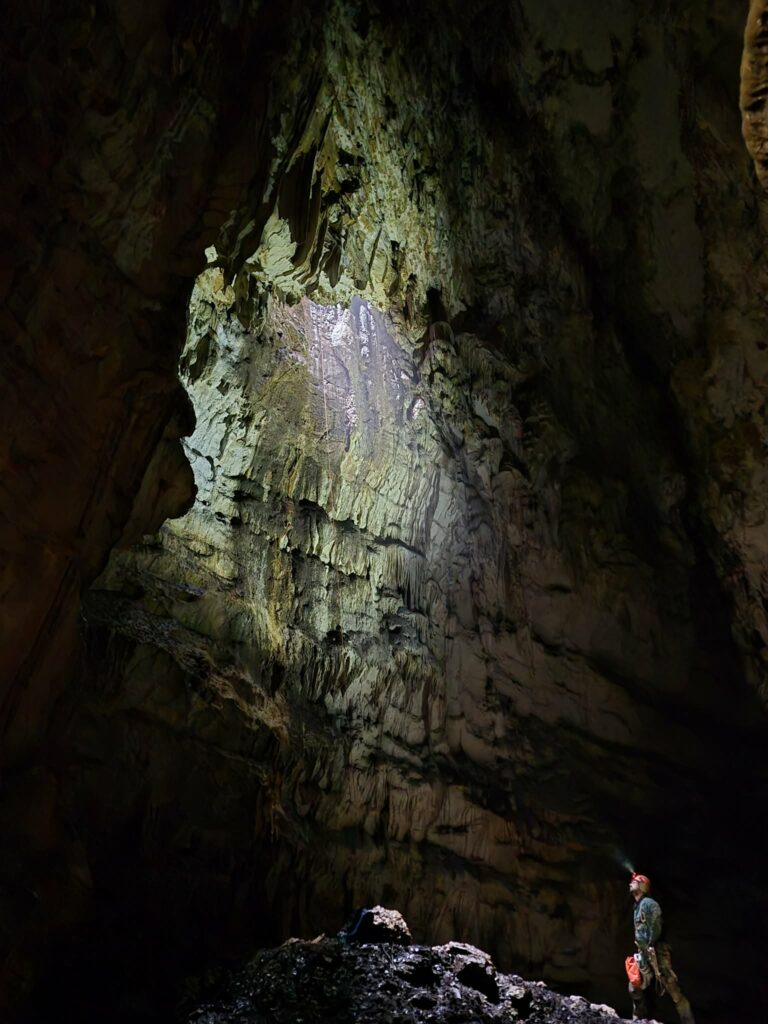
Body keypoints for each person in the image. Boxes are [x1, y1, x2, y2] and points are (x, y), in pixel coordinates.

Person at [627, 872, 695, 1023]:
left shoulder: (649, 903)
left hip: (656, 951)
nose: (631, 883)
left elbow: (656, 924)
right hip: (644, 953)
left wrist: (651, 943)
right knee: (634, 984)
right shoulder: (637, 906)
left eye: (635, 881)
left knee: (672, 988)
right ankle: (638, 1019)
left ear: (643, 886)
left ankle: (688, 1020)